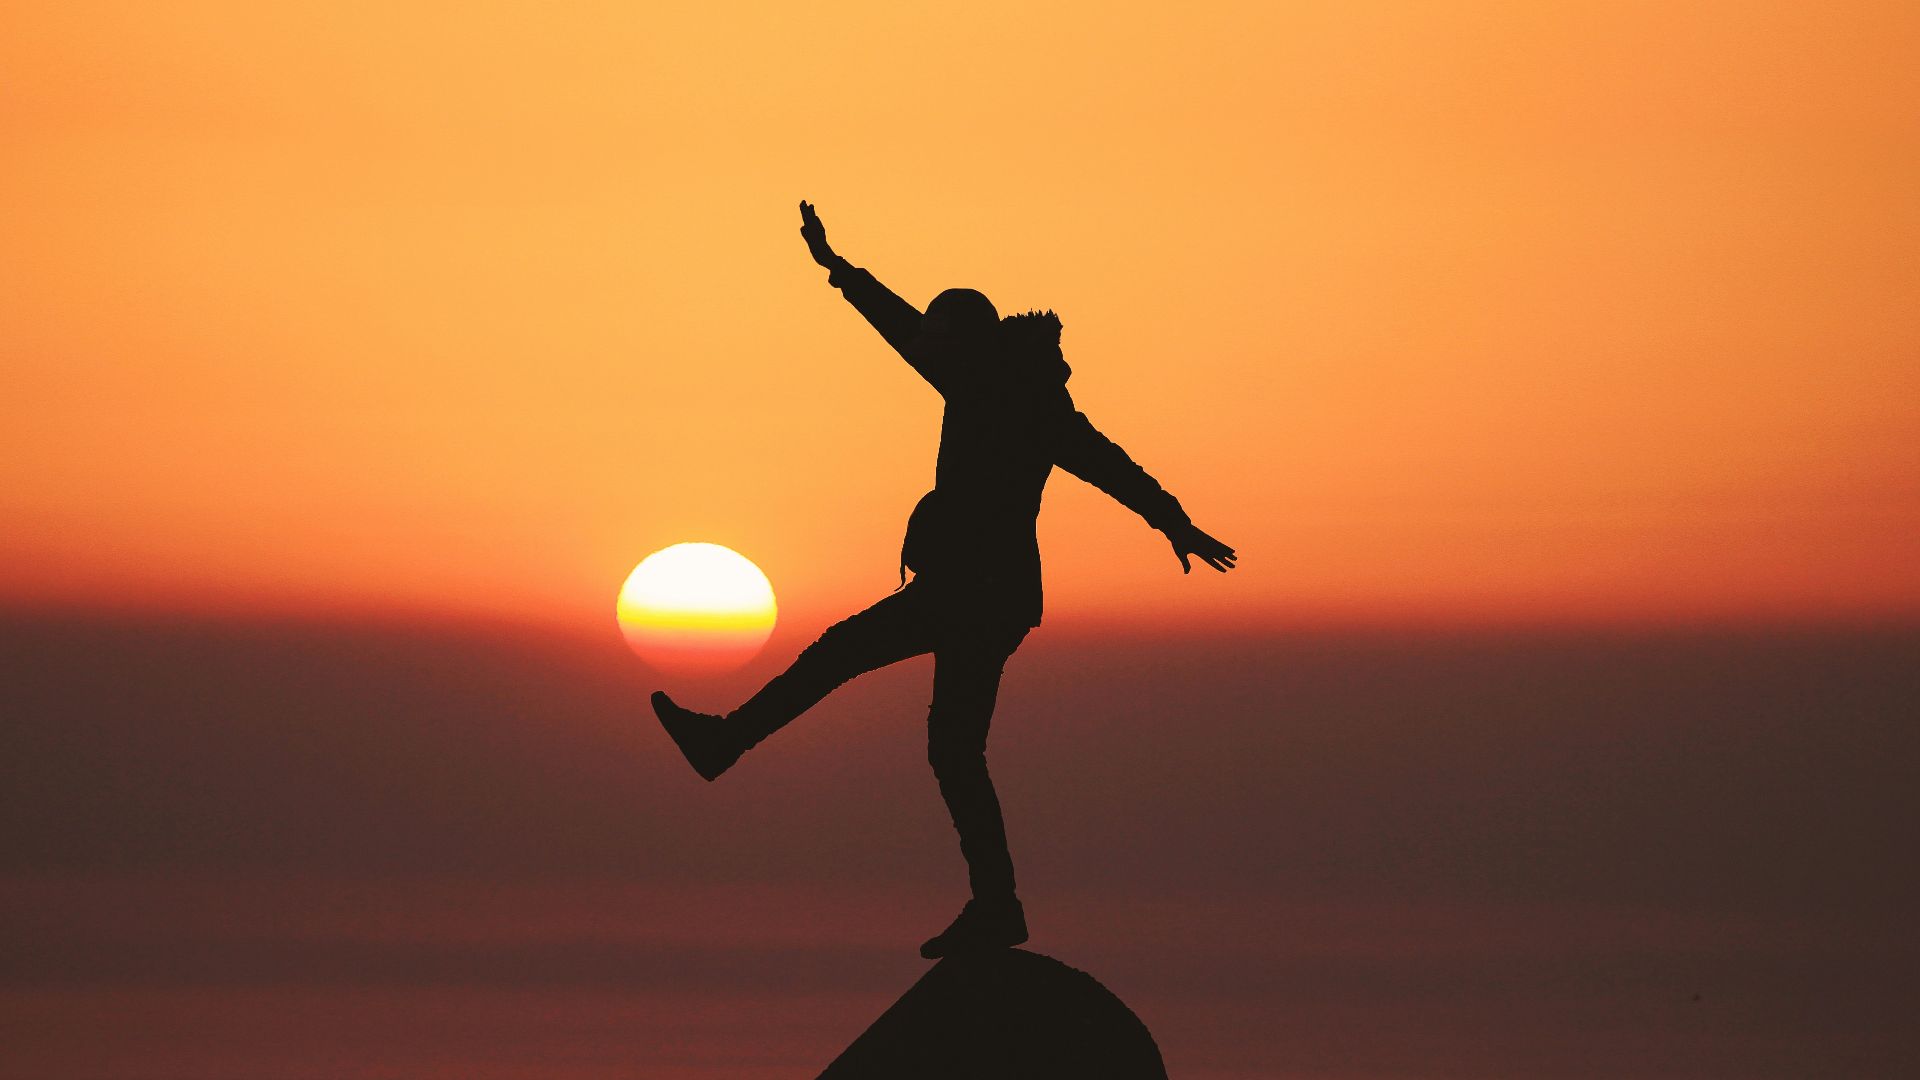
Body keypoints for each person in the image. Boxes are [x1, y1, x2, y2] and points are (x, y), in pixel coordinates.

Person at [652, 201, 1237, 958]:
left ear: (963, 345)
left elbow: (1108, 464)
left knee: (850, 662)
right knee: (950, 747)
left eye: (940, 345)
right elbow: (907, 331)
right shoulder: (1007, 385)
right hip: (985, 596)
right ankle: (995, 904)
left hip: (973, 593)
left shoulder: (1005, 393)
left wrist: (1174, 521)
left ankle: (726, 745)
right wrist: (838, 270)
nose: (931, 355)